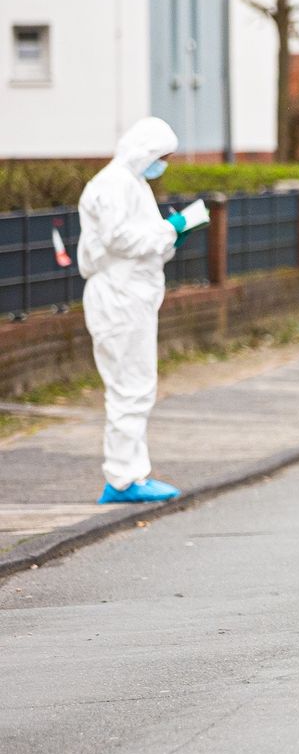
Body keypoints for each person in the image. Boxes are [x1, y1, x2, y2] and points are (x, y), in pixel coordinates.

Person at [77, 117, 186, 503]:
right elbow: (119, 239)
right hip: (118, 297)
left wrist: (171, 232)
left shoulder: (131, 183)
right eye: (162, 156)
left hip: (132, 296)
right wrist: (171, 229)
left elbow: (143, 240)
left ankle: (133, 474)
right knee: (129, 387)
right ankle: (123, 479)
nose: (163, 164)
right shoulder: (113, 184)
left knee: (138, 387)